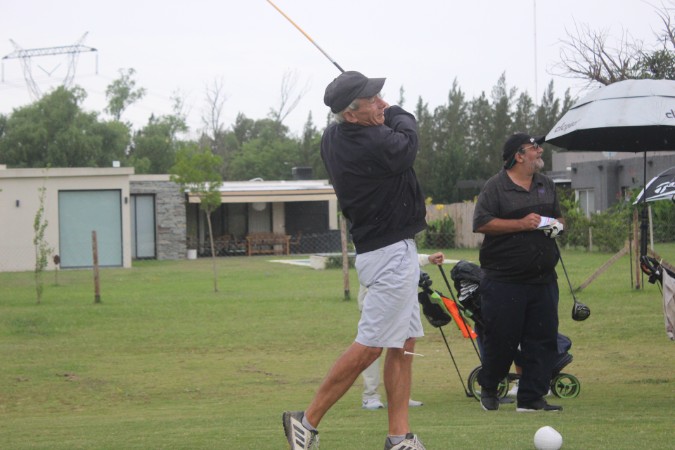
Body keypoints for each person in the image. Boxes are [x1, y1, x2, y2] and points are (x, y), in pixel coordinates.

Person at [282, 70, 428, 450]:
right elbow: (408, 141)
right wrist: (395, 111)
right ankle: (306, 421)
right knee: (371, 346)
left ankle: (399, 436)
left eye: (381, 97)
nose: (381, 104)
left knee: (404, 342)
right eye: (372, 101)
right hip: (390, 254)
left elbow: (381, 127)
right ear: (350, 114)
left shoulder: (333, 137)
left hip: (385, 250)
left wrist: (371, 105)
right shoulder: (375, 142)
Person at [472, 132, 565, 413]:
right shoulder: (496, 187)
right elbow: (481, 223)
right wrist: (521, 224)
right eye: (534, 148)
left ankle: (531, 398)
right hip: (504, 280)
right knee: (502, 339)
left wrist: (556, 226)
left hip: (543, 278)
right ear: (519, 156)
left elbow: (560, 218)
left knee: (543, 340)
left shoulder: (546, 184)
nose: (540, 151)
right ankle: (490, 388)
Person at [359, 252, 445, 410]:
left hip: (404, 296)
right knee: (373, 346)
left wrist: (427, 259)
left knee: (405, 345)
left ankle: (400, 396)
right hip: (377, 294)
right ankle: (370, 396)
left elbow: (404, 253)